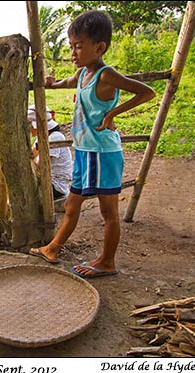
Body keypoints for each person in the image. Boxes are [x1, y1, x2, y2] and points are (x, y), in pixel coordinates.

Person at [29, 10, 155, 277]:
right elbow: (65, 82)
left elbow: (147, 92)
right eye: (71, 45)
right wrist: (51, 84)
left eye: (78, 45)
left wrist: (113, 113)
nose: (73, 52)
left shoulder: (106, 75)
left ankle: (107, 262)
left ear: (99, 47)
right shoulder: (83, 73)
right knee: (73, 204)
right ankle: (53, 248)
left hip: (103, 153)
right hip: (85, 151)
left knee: (108, 212)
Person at [27, 104, 73, 200]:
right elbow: (30, 154)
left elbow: (39, 164)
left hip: (56, 185)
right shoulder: (42, 137)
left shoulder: (55, 137)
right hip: (49, 181)